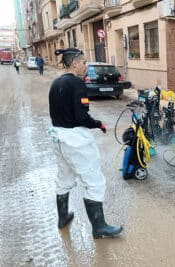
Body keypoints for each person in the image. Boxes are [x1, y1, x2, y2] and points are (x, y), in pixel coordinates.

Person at [48, 48, 123, 238]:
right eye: (83, 63)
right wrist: (98, 124)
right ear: (74, 63)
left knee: (64, 178)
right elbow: (82, 117)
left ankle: (63, 218)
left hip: (58, 138)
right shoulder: (77, 85)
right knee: (94, 182)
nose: (85, 67)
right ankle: (99, 227)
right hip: (76, 142)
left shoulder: (56, 83)